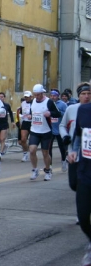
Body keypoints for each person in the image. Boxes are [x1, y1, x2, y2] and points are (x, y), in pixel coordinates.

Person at [66, 97, 91, 266]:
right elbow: (78, 134)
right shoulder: (84, 110)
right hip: (86, 170)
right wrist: (74, 150)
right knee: (83, 217)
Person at [60, 83, 91, 191]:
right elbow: (62, 125)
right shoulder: (71, 109)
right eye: (83, 93)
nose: (86, 96)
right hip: (74, 150)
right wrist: (65, 136)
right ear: (79, 95)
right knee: (73, 183)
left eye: (89, 93)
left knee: (84, 182)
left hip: (87, 154)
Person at [28, 84, 61, 181]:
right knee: (32, 150)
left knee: (45, 152)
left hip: (46, 131)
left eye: (38, 94)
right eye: (35, 94)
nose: (36, 96)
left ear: (42, 93)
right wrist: (30, 116)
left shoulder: (49, 102)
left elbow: (58, 113)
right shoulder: (33, 101)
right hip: (34, 130)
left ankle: (48, 170)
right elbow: (33, 111)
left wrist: (50, 113)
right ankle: (35, 169)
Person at [48, 89, 67, 171]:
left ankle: (63, 161)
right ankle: (50, 165)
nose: (53, 97)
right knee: (49, 148)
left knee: (62, 148)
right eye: (51, 95)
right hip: (50, 129)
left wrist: (58, 113)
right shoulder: (48, 103)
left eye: (54, 96)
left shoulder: (62, 104)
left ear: (58, 96)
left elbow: (66, 115)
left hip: (59, 129)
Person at [19, 91, 34, 162]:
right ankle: (25, 154)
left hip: (33, 123)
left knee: (32, 141)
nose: (26, 98)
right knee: (23, 140)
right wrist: (21, 115)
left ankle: (32, 153)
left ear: (31, 97)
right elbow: (22, 111)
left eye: (27, 97)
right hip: (25, 122)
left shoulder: (35, 103)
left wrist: (32, 115)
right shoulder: (23, 103)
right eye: (25, 97)